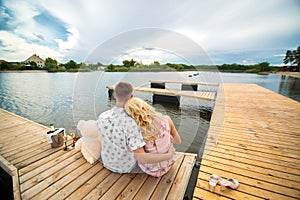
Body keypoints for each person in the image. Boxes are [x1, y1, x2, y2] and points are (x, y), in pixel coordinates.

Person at [97, 82, 175, 173]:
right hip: (127, 168)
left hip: (107, 163)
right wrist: (169, 155)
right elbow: (142, 158)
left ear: (114, 95)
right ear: (131, 96)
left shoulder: (102, 116)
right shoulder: (132, 122)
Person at [125, 97, 181, 177]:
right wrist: (168, 138)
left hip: (151, 170)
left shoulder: (135, 132)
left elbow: (142, 159)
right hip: (168, 164)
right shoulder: (166, 119)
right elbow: (178, 141)